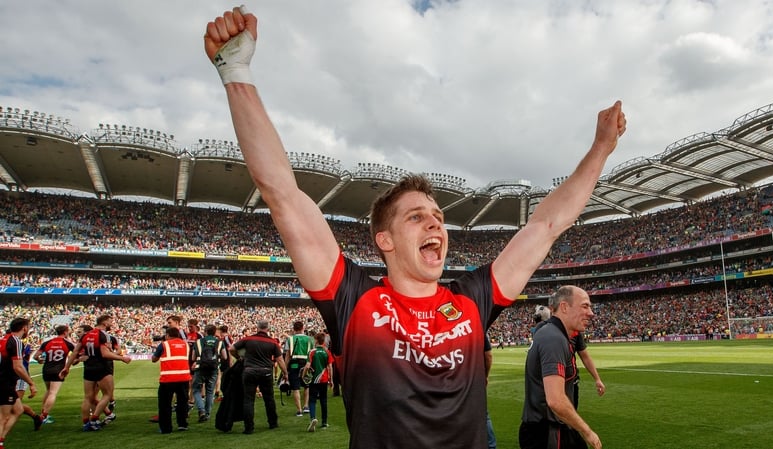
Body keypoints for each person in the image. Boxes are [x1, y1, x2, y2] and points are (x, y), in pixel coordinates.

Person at [203, 7, 624, 447]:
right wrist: (235, 70)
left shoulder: (472, 300)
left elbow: (546, 225)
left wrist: (600, 149)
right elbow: (283, 195)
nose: (435, 225)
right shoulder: (355, 300)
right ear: (384, 240)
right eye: (417, 217)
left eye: (439, 218)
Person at [519, 286, 601, 449]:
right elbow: (555, 400)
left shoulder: (553, 333)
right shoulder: (554, 339)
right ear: (564, 307)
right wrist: (587, 431)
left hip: (555, 427)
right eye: (585, 306)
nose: (591, 313)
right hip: (548, 432)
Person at [60, 315, 131, 432]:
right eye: (110, 322)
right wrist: (122, 358)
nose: (111, 324)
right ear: (104, 323)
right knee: (107, 395)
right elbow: (105, 354)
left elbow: (75, 352)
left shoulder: (86, 335)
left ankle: (85, 423)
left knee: (88, 397)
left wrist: (66, 367)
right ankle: (94, 419)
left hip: (88, 368)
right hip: (102, 368)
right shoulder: (104, 335)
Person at [231, 320, 288, 434]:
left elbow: (231, 348)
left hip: (249, 371)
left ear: (257, 328)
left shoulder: (248, 339)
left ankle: (249, 427)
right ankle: (273, 423)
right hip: (266, 372)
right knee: (269, 399)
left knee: (248, 400)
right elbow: (280, 359)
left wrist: (239, 358)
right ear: (267, 328)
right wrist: (285, 373)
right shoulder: (272, 342)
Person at [0, 318, 38, 447]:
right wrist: (31, 383)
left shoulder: (3, 339)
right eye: (29, 327)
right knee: (4, 417)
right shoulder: (16, 341)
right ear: (24, 328)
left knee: (18, 410)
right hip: (5, 382)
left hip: (5, 381)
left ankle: (2, 439)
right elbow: (18, 367)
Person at [151, 327, 192, 434]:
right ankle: (182, 424)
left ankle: (166, 428)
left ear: (167, 335)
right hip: (183, 378)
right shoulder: (185, 345)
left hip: (168, 379)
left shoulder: (164, 344)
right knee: (182, 402)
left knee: (165, 404)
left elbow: (154, 359)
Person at [32, 325, 74, 425]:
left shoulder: (47, 342)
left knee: (48, 391)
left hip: (46, 369)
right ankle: (44, 416)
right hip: (58, 370)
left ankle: (43, 412)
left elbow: (35, 356)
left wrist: (39, 360)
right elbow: (78, 351)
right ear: (65, 332)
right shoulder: (67, 343)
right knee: (53, 393)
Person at [190, 324, 227, 423]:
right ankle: (207, 413)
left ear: (205, 331)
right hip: (213, 369)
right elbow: (225, 356)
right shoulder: (219, 342)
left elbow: (193, 358)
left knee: (196, 390)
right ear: (214, 332)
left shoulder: (198, 342)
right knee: (210, 391)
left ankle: (201, 410)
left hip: (200, 368)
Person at [302, 332, 332, 432]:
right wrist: (330, 379)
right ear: (323, 341)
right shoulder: (327, 351)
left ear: (316, 340)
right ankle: (324, 422)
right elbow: (330, 367)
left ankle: (313, 418)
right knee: (324, 400)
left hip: (314, 379)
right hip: (324, 379)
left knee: (312, 400)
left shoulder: (312, 352)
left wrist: (303, 375)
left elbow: (307, 365)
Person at [12, 337, 42, 431]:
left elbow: (24, 362)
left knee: (14, 404)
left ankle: (36, 417)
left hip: (20, 377)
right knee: (12, 404)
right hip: (10, 377)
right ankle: (36, 417)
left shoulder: (20, 346)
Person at [284, 320, 312, 416]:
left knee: (295, 388)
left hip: (294, 364)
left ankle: (299, 410)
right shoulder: (310, 339)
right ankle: (306, 406)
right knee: (306, 385)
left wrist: (285, 369)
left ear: (294, 329)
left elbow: (287, 356)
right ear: (303, 328)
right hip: (306, 364)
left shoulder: (290, 339)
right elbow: (312, 354)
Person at [485, 334, 497, 449]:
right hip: (473, 380)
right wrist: (485, 375)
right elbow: (488, 355)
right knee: (483, 415)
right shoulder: (476, 328)